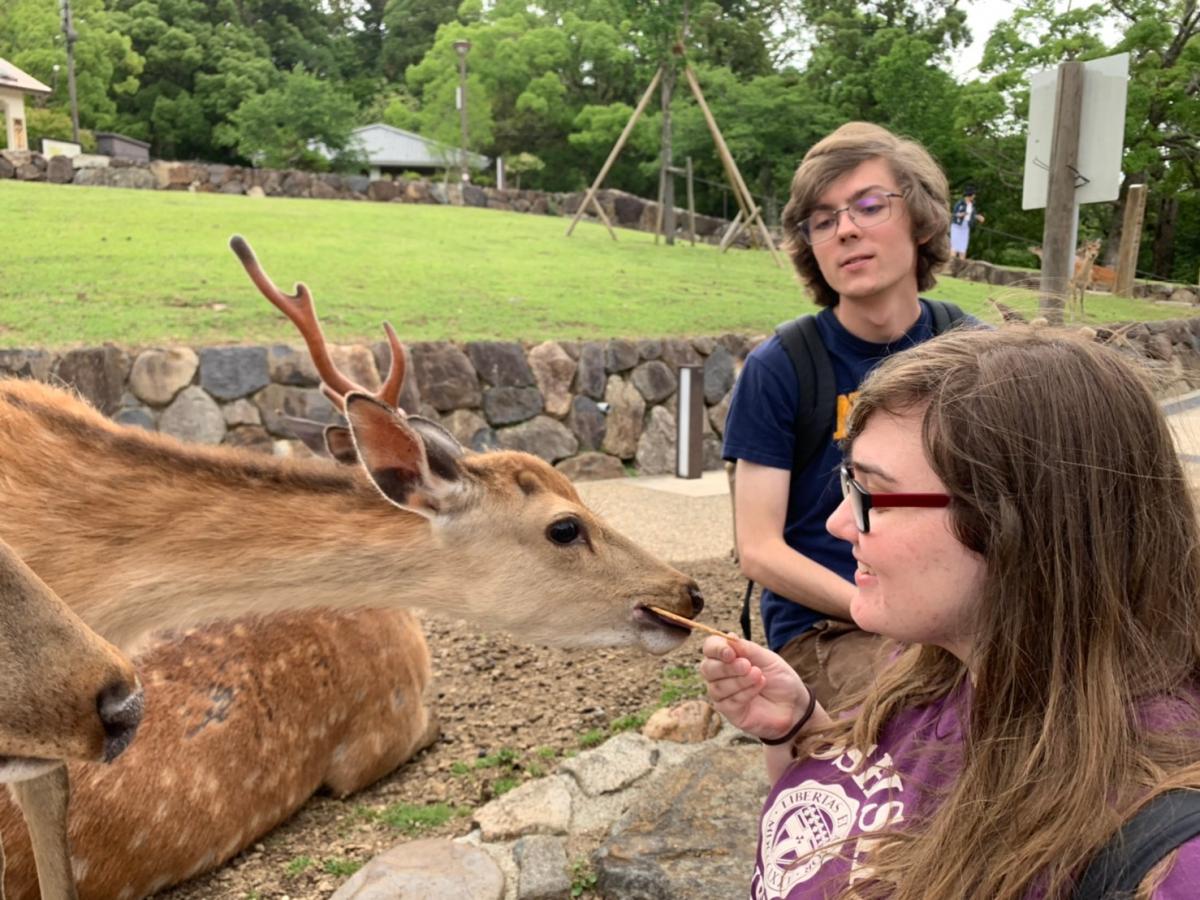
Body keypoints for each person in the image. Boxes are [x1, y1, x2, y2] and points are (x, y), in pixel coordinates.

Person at [701, 327, 1200, 899]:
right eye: (848, 481)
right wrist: (800, 732)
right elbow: (870, 821)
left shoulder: (1167, 863)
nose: (839, 525)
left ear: (1019, 523)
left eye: (871, 495)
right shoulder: (932, 680)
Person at [722, 122, 968, 708]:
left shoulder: (974, 356)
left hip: (958, 612)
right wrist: (880, 613)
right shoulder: (781, 367)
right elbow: (758, 548)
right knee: (932, 711)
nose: (847, 229)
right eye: (824, 220)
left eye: (868, 206)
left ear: (923, 219)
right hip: (834, 625)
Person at [949, 186, 984, 259]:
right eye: (974, 194)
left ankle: (962, 265)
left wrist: (978, 217)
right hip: (957, 226)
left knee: (963, 247)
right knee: (954, 246)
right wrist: (960, 215)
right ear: (970, 195)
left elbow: (972, 215)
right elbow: (953, 214)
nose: (974, 196)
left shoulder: (972, 205)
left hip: (966, 227)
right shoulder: (960, 203)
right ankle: (951, 265)